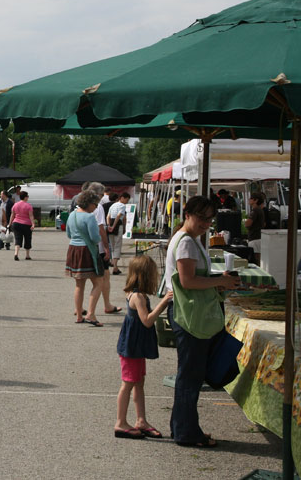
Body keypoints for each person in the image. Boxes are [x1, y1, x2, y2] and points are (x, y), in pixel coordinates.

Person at [164, 196, 240, 448]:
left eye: (210, 219)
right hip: (189, 315)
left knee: (189, 375)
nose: (206, 223)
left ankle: (182, 428)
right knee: (190, 377)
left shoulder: (189, 239)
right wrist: (221, 282)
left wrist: (220, 279)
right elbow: (187, 282)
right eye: (202, 217)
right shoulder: (186, 242)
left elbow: (192, 278)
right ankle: (187, 433)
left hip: (188, 313)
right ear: (187, 214)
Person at [114, 255, 170, 439]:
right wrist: (164, 302)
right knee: (128, 383)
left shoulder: (139, 294)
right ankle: (121, 422)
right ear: (145, 276)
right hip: (132, 347)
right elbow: (146, 321)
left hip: (136, 346)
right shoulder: (137, 296)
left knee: (139, 382)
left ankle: (141, 420)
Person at [65, 190, 104, 327]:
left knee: (79, 284)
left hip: (73, 250)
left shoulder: (72, 215)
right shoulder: (89, 217)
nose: (96, 207)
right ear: (89, 204)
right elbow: (95, 237)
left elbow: (69, 234)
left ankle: (79, 315)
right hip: (87, 251)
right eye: (95, 204)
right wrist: (101, 241)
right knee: (98, 282)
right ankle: (91, 314)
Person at [87, 182, 121, 315]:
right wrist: (107, 247)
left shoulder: (81, 206)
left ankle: (78, 308)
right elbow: (101, 228)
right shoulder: (98, 207)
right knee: (103, 277)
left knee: (82, 280)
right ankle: (106, 305)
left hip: (83, 245)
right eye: (101, 195)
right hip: (98, 246)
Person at [107, 192, 131, 275]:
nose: (127, 201)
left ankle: (114, 265)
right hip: (117, 224)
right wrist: (114, 226)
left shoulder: (113, 205)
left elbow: (108, 216)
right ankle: (115, 267)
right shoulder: (122, 206)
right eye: (127, 199)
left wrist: (109, 225)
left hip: (111, 224)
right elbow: (119, 216)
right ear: (122, 198)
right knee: (117, 245)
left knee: (112, 245)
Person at [8, 190, 33, 261]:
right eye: (27, 196)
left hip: (16, 223)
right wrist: (33, 224)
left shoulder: (15, 205)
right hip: (26, 224)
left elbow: (12, 215)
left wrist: (10, 224)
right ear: (25, 197)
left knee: (18, 239)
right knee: (27, 239)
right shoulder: (28, 206)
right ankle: (27, 255)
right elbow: (31, 216)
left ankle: (16, 253)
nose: (28, 197)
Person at [245, 192, 267, 264]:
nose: (249, 199)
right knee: (259, 258)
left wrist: (246, 223)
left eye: (251, 198)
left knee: (256, 258)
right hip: (258, 236)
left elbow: (248, 223)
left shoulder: (255, 210)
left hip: (254, 237)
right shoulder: (260, 210)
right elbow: (263, 224)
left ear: (256, 200)